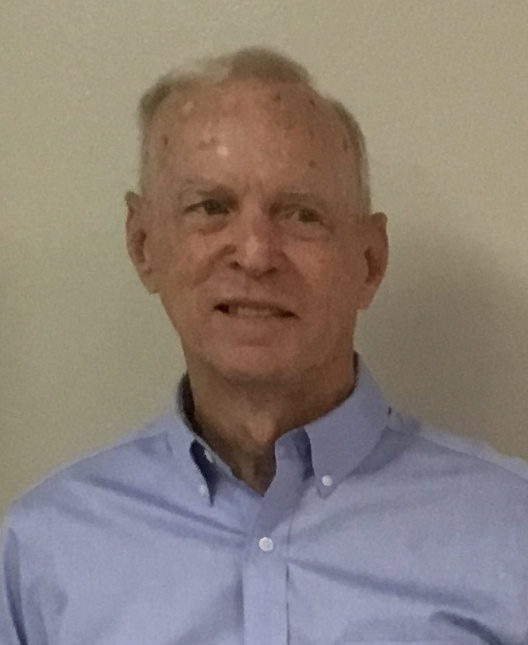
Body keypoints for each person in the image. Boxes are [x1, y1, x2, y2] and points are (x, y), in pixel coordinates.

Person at [1, 47, 527, 644]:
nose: (254, 254)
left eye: (301, 215)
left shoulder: (511, 533)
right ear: (143, 244)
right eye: (210, 208)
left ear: (370, 260)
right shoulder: (44, 554)